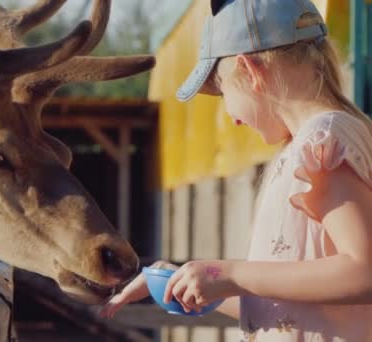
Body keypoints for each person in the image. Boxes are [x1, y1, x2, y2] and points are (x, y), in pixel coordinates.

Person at [100, 0, 372, 340]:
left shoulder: (323, 140)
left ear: (251, 71)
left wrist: (231, 273)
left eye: (222, 90)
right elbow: (282, 304)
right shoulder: (307, 146)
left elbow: (364, 271)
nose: (230, 116)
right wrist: (192, 280)